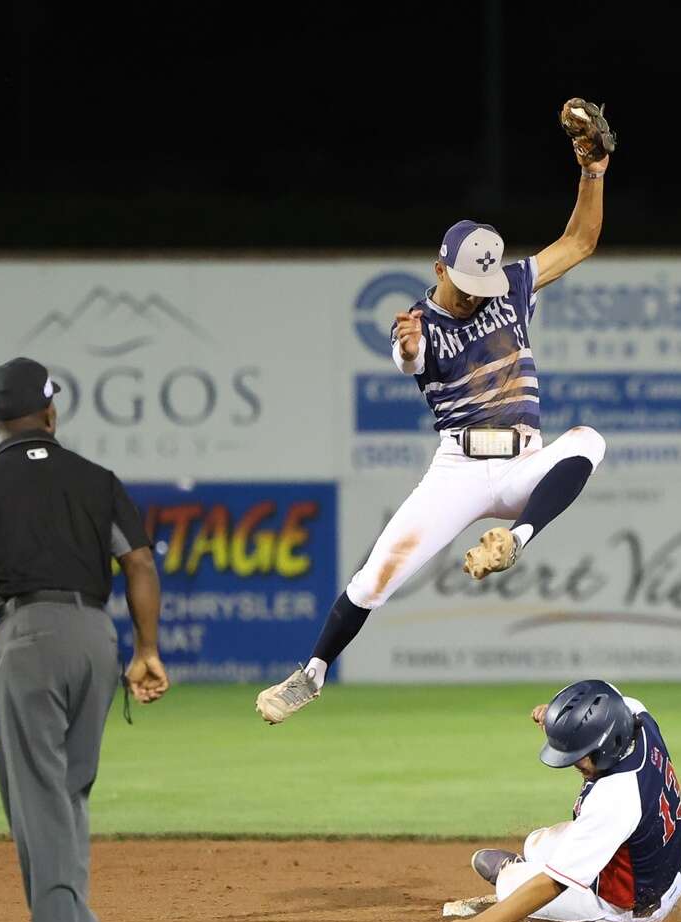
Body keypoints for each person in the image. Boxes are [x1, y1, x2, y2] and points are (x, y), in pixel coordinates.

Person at [256, 114, 613, 724]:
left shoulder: (510, 288)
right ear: (439, 267)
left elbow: (578, 241)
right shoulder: (418, 325)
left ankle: (513, 540)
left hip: (526, 461)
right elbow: (408, 356)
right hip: (460, 468)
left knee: (588, 440)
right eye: (465, 279)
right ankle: (310, 675)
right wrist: (408, 345)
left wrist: (593, 170)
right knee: (375, 578)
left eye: (484, 280)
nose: (477, 292)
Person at [0, 356, 169, 922]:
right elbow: (139, 563)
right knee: (68, 791)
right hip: (94, 638)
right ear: (51, 413)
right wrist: (146, 650)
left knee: (38, 794)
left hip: (28, 638)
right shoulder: (96, 478)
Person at [421, 680, 681, 922]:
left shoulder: (615, 795)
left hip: (631, 907)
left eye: (579, 756)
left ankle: (517, 878)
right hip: (669, 866)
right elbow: (605, 698)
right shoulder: (636, 716)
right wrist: (561, 723)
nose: (574, 763)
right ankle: (532, 869)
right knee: (536, 844)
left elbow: (552, 884)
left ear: (607, 746)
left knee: (511, 883)